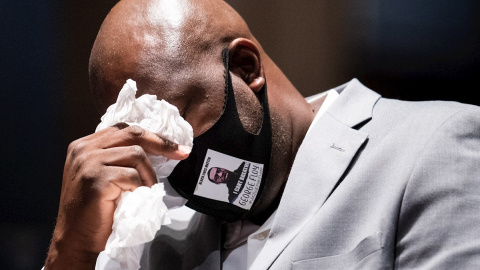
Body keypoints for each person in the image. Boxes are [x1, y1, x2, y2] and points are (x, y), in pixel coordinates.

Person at [44, 0, 480, 269]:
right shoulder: (151, 233)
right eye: (150, 145)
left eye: (177, 125)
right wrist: (70, 252)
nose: (175, 160)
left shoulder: (432, 144)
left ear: (246, 68)